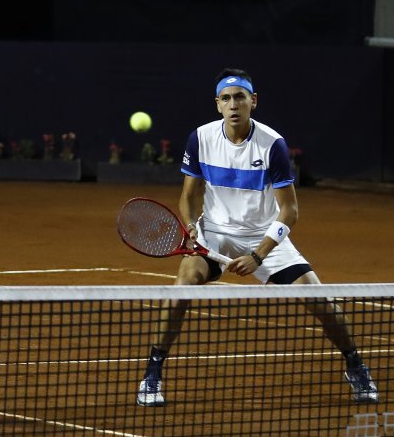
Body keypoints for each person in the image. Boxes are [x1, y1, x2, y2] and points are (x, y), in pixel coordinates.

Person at [135, 68, 378, 407]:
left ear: (253, 101)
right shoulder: (201, 138)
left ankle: (355, 364)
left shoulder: (272, 144)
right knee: (180, 292)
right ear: (218, 104)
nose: (233, 104)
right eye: (226, 98)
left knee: (322, 302)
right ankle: (153, 371)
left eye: (240, 97)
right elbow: (189, 196)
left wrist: (259, 255)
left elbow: (289, 211)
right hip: (216, 233)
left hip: (263, 236)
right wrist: (192, 227)